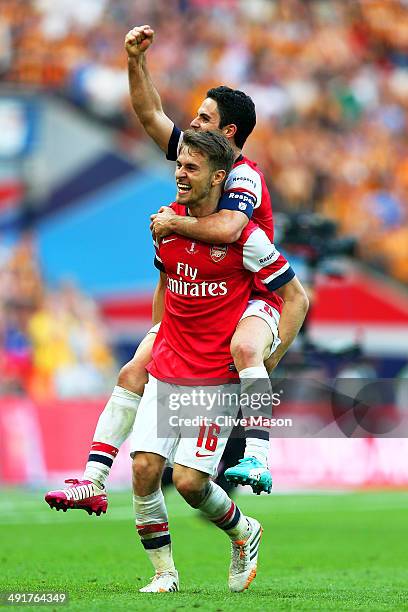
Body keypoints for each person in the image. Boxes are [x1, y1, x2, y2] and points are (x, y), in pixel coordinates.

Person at [44, 24, 301, 516]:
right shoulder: (199, 157)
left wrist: (172, 222)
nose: (191, 124)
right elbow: (148, 113)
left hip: (249, 293)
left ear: (227, 133)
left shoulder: (241, 175)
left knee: (245, 350)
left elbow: (229, 230)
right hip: (204, 296)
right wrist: (136, 62)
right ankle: (93, 481)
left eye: (203, 117)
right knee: (134, 367)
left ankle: (258, 457)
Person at [128, 130, 308, 592]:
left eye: (191, 168)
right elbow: (165, 287)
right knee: (145, 469)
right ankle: (164, 574)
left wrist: (271, 357)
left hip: (214, 376)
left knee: (189, 483)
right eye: (179, 166)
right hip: (171, 365)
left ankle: (244, 530)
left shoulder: (245, 238)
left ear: (218, 178)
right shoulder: (163, 225)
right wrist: (155, 338)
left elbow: (295, 296)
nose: (180, 174)